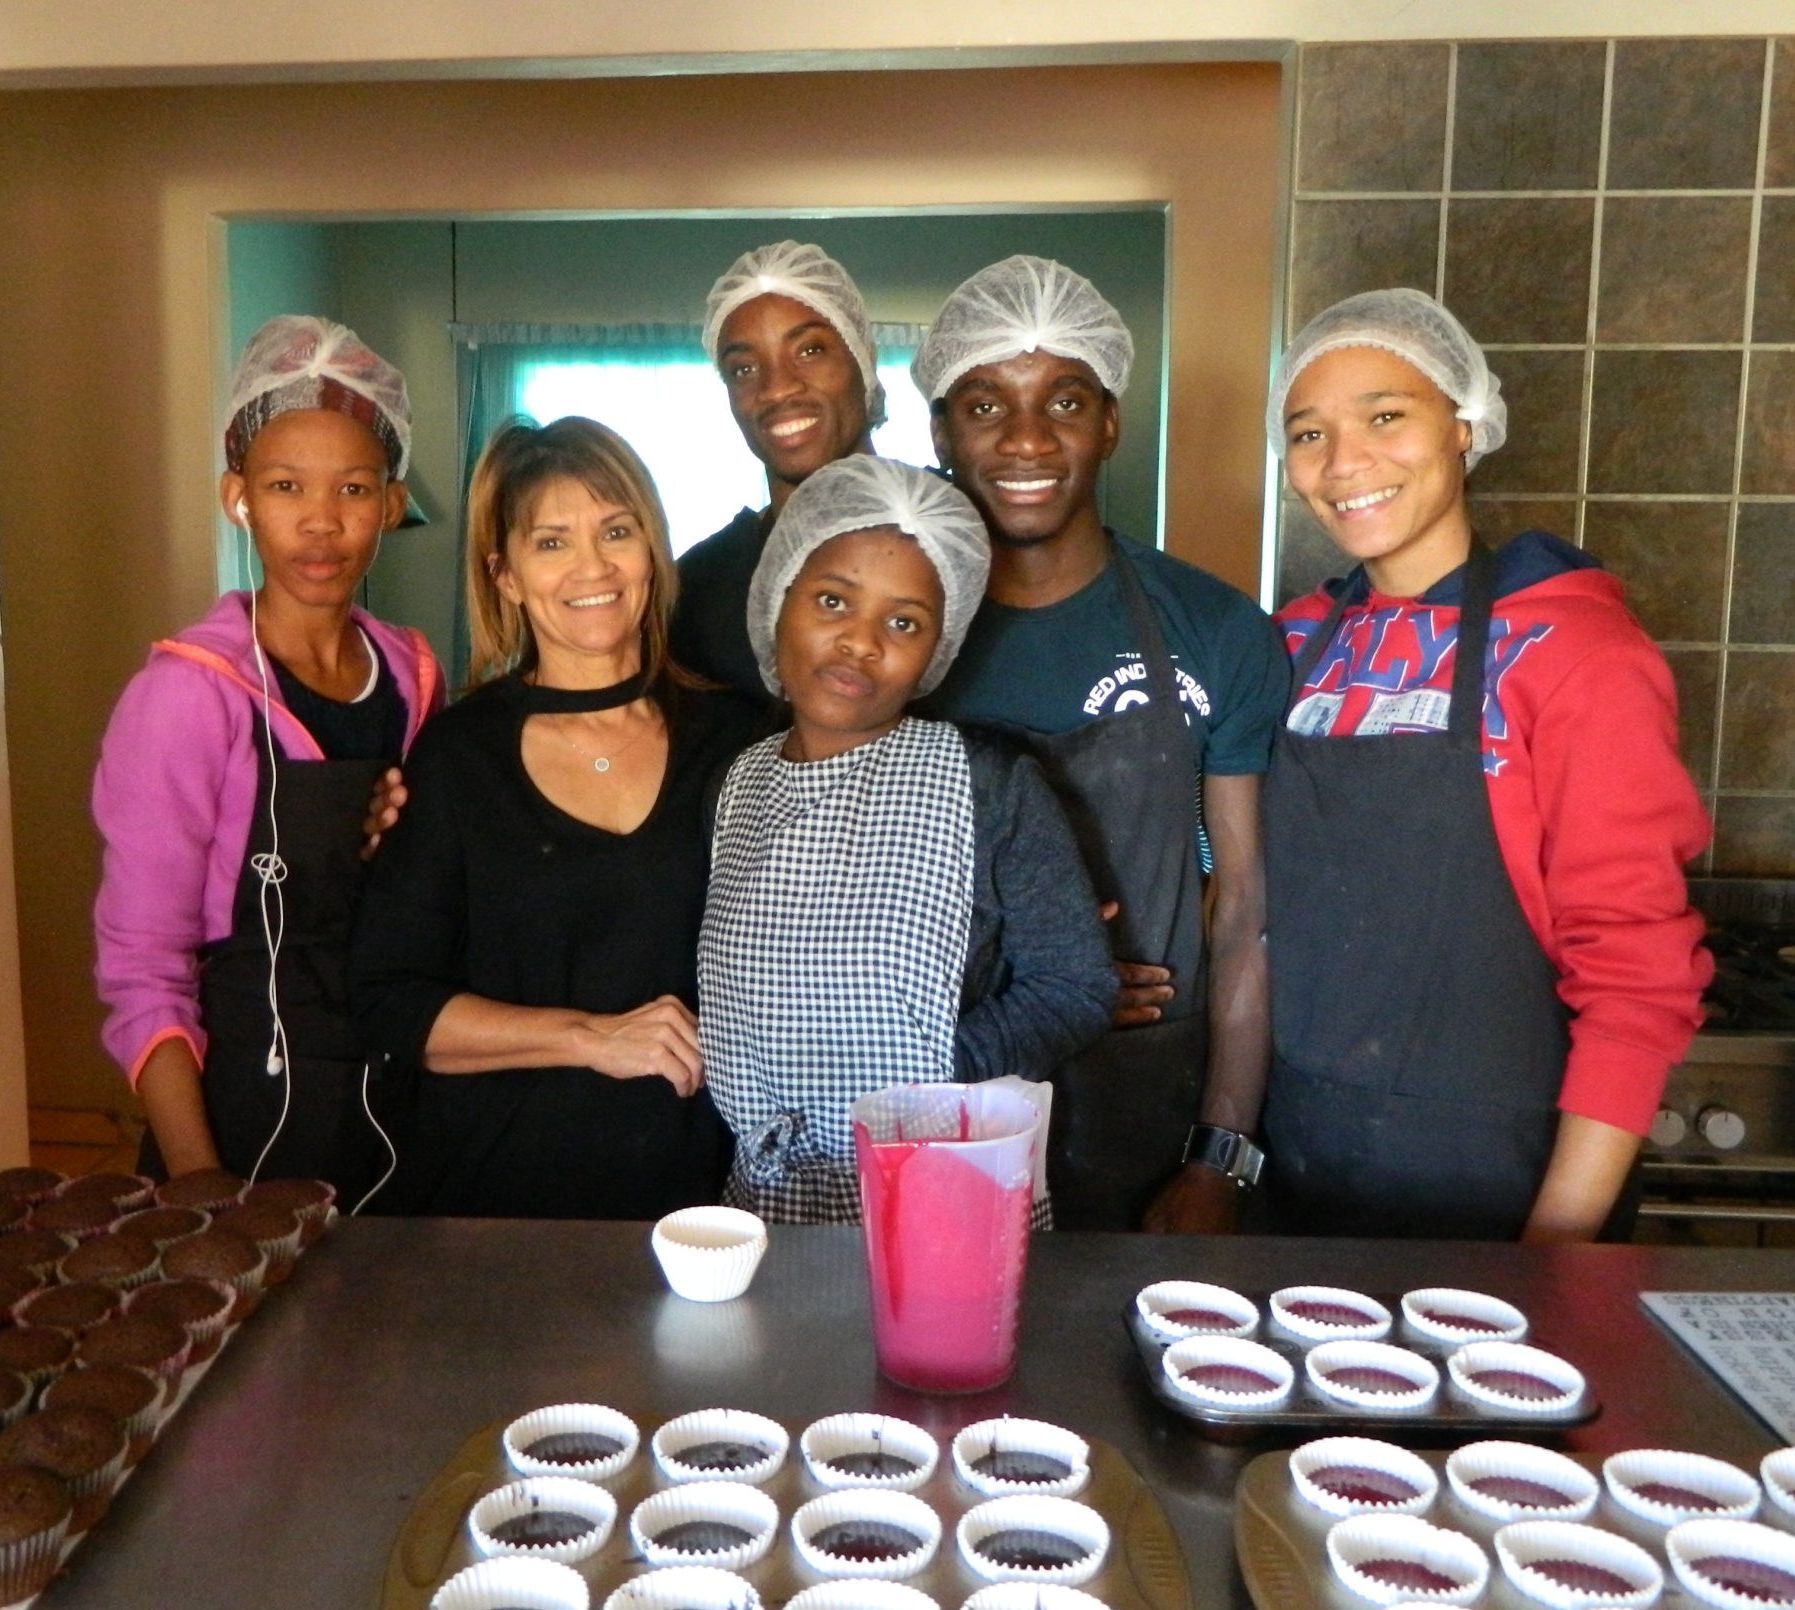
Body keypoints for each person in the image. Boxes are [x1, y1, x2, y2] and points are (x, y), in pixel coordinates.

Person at [1255, 288, 1710, 1241]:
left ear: (1464, 425)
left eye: (1386, 416)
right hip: (1299, 1162)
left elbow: (1636, 973)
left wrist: (1556, 1248)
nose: (1345, 464)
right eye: (1308, 434)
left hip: (1505, 1180)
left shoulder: (1580, 652)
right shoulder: (1289, 644)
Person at [918, 256, 1287, 1233]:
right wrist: (1052, 979)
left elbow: (1244, 912)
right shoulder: (898, 642)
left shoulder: (1215, 632)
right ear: (940, 432)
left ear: (1112, 421)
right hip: (943, 1101)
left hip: (1147, 1111)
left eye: (1065, 400)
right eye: (986, 404)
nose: (1028, 438)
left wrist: (1222, 1153)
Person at [349, 417, 758, 1218]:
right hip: (499, 1197)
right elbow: (388, 1003)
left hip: (705, 1200)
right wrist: (591, 1038)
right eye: (552, 543)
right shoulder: (458, 758)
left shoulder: (741, 739)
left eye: (616, 531)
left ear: (653, 550)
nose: (593, 568)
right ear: (505, 576)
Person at [698, 457, 1114, 1222]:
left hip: (943, 1195)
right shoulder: (734, 785)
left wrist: (928, 1081)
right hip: (765, 1202)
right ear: (777, 599)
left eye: (903, 622)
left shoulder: (989, 782)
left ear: (937, 650)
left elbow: (1076, 987)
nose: (860, 642)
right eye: (832, 601)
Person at [92, 316, 444, 1195]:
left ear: (393, 507)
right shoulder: (185, 696)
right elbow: (144, 971)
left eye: (355, 490)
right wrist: (198, 1181)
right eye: (286, 487)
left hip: (396, 1096)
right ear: (237, 497)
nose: (321, 523)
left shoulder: (415, 675)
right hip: (240, 1108)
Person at [669, 240, 881, 704]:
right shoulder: (699, 589)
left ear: (863, 357)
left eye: (809, 350)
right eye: (743, 368)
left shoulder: (962, 536)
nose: (777, 388)